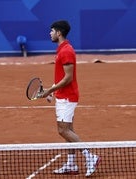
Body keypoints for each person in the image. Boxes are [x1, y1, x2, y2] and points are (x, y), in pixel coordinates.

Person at [40, 20, 101, 177]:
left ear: (59, 33)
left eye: (52, 30)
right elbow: (61, 75)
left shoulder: (66, 51)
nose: (50, 33)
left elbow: (68, 78)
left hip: (67, 97)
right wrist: (53, 91)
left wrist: (50, 90)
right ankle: (71, 164)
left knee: (63, 130)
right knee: (69, 130)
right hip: (63, 95)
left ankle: (90, 157)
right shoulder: (62, 49)